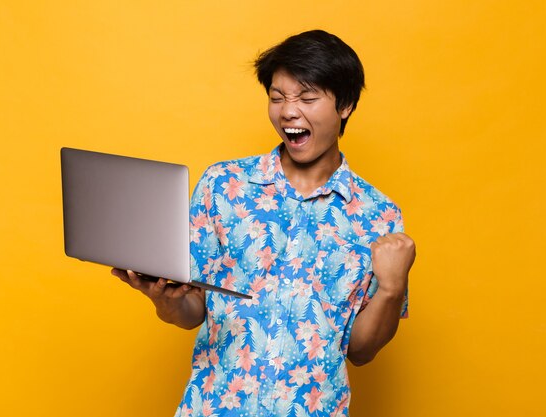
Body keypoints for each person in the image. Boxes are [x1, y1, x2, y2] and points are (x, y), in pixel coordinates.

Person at [112, 29, 415, 417]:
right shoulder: (223, 185)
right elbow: (191, 312)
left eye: (307, 97)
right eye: (277, 97)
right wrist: (164, 301)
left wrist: (392, 288)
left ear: (346, 105)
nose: (288, 111)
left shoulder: (379, 215)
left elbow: (361, 351)